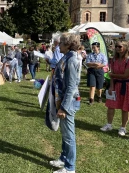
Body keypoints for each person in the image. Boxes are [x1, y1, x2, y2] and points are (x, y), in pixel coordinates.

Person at [49, 33, 81, 173]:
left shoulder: (72, 59)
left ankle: (70, 168)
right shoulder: (66, 57)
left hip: (68, 103)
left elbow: (71, 86)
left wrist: (63, 108)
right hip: (61, 100)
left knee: (69, 135)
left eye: (61, 43)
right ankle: (63, 158)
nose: (58, 45)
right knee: (64, 133)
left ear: (68, 45)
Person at [100, 40, 129, 136]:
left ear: (125, 48)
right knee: (110, 106)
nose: (117, 48)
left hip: (126, 86)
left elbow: (125, 75)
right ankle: (109, 124)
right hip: (115, 85)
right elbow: (112, 76)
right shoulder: (114, 60)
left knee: (125, 108)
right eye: (116, 46)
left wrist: (112, 75)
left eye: (119, 46)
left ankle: (123, 128)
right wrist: (111, 86)